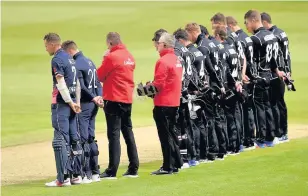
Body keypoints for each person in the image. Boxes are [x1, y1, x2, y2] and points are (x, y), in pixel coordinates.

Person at [97, 32, 139, 179]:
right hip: (127, 99)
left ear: (110, 43)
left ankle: (112, 170)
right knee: (128, 132)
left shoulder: (111, 57)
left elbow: (99, 76)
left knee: (113, 134)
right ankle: (133, 168)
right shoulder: (129, 56)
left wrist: (104, 58)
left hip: (113, 98)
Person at [43, 33, 83, 187]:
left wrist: (69, 102)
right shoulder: (70, 59)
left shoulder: (57, 59)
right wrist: (76, 102)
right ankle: (76, 175)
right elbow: (77, 82)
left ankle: (63, 178)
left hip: (61, 104)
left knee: (60, 140)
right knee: (74, 139)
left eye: (46, 45)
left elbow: (60, 83)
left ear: (53, 44)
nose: (46, 49)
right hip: (72, 103)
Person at [62, 40, 103, 184]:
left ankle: (85, 174)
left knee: (83, 138)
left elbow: (82, 87)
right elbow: (97, 83)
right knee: (91, 137)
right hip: (94, 105)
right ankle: (95, 172)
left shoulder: (77, 64)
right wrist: (99, 97)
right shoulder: (89, 61)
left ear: (69, 51)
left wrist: (93, 98)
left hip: (85, 105)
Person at [244, 10, 284, 147]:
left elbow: (250, 61)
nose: (246, 27)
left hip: (259, 78)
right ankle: (271, 136)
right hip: (270, 76)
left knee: (259, 107)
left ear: (254, 20)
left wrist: (249, 76)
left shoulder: (255, 39)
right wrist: (277, 71)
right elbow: (274, 59)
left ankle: (261, 138)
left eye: (247, 23)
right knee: (267, 106)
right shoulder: (271, 36)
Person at [185, 22, 224, 162]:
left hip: (209, 87)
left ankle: (211, 151)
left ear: (192, 32)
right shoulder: (211, 43)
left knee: (208, 120)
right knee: (215, 118)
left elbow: (209, 69)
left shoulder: (201, 47)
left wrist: (214, 85)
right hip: (216, 84)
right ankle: (220, 149)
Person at [173, 28, 212, 164]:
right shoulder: (194, 52)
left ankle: (191, 155)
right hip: (198, 91)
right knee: (199, 123)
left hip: (188, 92)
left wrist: (189, 90)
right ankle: (202, 153)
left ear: (179, 40)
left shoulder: (183, 53)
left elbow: (187, 75)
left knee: (190, 125)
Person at [150, 32, 183, 175]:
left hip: (163, 102)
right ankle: (175, 163)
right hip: (174, 102)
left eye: (159, 44)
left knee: (165, 135)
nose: (157, 46)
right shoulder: (176, 59)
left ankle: (168, 166)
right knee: (172, 134)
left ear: (164, 45)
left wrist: (147, 88)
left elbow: (158, 84)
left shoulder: (162, 61)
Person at [226, 16, 256, 150]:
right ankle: (250, 137)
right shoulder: (246, 37)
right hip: (250, 76)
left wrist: (241, 74)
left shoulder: (236, 39)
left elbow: (241, 59)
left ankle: (247, 138)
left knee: (244, 110)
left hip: (243, 78)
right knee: (248, 108)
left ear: (230, 26)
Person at [261, 12, 291, 143]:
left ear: (264, 22)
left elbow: (274, 56)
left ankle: (280, 132)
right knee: (280, 102)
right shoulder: (282, 32)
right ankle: (283, 132)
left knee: (275, 103)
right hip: (283, 71)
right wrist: (288, 71)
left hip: (276, 72)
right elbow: (287, 54)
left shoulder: (271, 35)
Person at [214, 26, 243, 155]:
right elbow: (240, 65)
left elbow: (225, 71)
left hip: (229, 87)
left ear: (219, 37)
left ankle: (232, 145)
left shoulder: (223, 50)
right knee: (235, 115)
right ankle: (237, 144)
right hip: (237, 86)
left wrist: (224, 86)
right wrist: (239, 81)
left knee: (228, 117)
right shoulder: (233, 49)